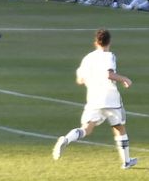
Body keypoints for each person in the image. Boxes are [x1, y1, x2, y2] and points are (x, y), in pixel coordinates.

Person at [52, 29, 135, 168]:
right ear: (109, 42)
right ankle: (126, 162)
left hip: (94, 98)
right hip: (110, 98)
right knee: (119, 128)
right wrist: (124, 79)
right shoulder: (109, 55)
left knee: (86, 129)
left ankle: (66, 139)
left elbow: (80, 80)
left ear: (95, 42)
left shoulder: (88, 58)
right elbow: (109, 74)